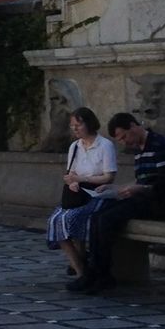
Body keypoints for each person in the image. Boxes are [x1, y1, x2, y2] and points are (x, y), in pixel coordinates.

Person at [72, 111, 165, 294]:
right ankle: (92, 272)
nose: (124, 142)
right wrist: (117, 188)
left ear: (133, 126)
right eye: (119, 139)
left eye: (124, 136)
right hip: (145, 198)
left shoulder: (160, 145)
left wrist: (140, 189)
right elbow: (142, 180)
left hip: (164, 203)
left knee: (107, 219)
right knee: (97, 216)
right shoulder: (139, 149)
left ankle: (103, 275)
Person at [45, 106, 116, 278]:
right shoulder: (75, 146)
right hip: (77, 194)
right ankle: (79, 266)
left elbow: (109, 177)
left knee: (72, 219)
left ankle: (82, 264)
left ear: (89, 124)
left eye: (78, 125)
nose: (75, 129)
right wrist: (72, 182)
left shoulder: (104, 145)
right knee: (56, 220)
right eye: (72, 126)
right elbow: (71, 173)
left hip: (96, 193)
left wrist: (82, 179)